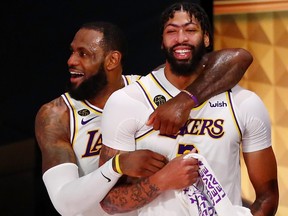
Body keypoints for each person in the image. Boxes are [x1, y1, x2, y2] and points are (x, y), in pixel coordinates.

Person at [35, 19, 252, 216]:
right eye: (72, 52)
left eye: (83, 54)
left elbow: (237, 58)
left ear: (112, 60)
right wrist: (116, 165)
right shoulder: (56, 115)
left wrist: (184, 100)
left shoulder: (145, 90)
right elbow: (65, 204)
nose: (71, 61)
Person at [99, 2, 279, 216]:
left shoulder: (244, 102)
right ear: (162, 41)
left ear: (206, 38)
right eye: (171, 31)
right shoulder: (127, 101)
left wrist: (184, 100)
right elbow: (109, 202)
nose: (181, 38)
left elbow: (268, 196)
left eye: (191, 30)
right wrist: (160, 182)